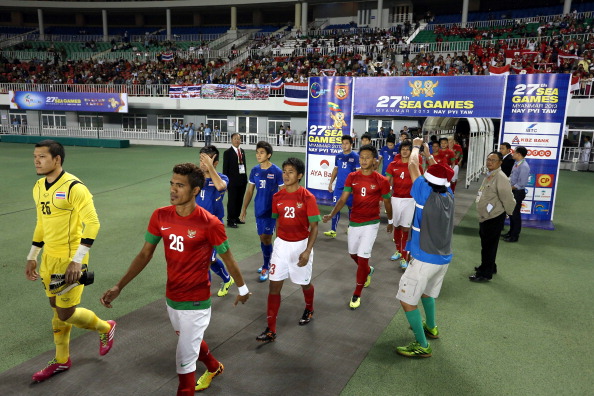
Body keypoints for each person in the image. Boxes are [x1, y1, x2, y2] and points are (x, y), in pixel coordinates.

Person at [100, 163, 250, 396]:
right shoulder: (160, 215)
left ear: (195, 191)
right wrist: (120, 285)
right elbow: (144, 254)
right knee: (189, 342)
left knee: (184, 366)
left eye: (180, 185)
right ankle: (213, 367)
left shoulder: (210, 223)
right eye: (172, 183)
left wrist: (243, 288)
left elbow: (228, 259)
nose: (173, 189)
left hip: (197, 303)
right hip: (172, 298)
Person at [26, 140, 116, 382]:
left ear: (57, 160)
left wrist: (77, 261)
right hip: (48, 259)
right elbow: (41, 224)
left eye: (42, 156)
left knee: (65, 313)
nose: (36, 160)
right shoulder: (38, 187)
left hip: (70, 260)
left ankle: (105, 328)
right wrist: (32, 256)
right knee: (55, 307)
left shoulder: (75, 187)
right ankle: (62, 360)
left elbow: (93, 223)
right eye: (35, 156)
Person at [395, 138, 454, 358]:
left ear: (427, 179)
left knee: (407, 301)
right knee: (428, 294)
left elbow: (412, 164)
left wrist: (417, 146)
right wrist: (429, 155)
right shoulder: (449, 195)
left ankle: (422, 345)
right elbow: (440, 173)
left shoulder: (423, 191)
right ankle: (431, 326)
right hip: (444, 259)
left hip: (424, 259)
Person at [256, 158, 322, 342]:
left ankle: (309, 308)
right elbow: (277, 220)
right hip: (281, 246)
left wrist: (308, 250)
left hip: (301, 245)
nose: (286, 175)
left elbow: (314, 227)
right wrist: (280, 242)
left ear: (299, 175)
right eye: (284, 171)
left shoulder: (307, 197)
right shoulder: (277, 197)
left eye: (291, 172)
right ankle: (271, 329)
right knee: (274, 285)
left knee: (304, 283)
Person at [323, 144, 393, 310]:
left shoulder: (381, 180)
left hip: (371, 223)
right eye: (361, 157)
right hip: (355, 222)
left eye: (367, 157)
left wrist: (390, 221)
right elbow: (342, 199)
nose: (363, 160)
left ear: (375, 160)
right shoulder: (352, 177)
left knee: (362, 258)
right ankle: (368, 270)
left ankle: (357, 293)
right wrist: (331, 215)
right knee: (353, 254)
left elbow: (388, 202)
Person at [240, 141, 284, 282]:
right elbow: (250, 191)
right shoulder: (254, 170)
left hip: (271, 211)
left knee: (266, 237)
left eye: (262, 152)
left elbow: (283, 193)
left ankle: (267, 265)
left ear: (269, 155)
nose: (258, 155)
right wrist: (244, 209)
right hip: (259, 209)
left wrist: (282, 212)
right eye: (257, 152)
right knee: (262, 237)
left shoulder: (276, 171)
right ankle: (268, 261)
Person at [469, 152, 516, 282]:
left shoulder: (500, 177)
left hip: (494, 217)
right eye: (488, 159)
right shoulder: (490, 175)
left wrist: (508, 213)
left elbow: (508, 198)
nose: (490, 162)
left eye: (493, 160)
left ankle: (485, 274)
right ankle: (489, 266)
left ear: (500, 162)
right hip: (486, 216)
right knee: (488, 244)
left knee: (488, 246)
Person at [196, 145, 235, 297]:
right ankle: (227, 278)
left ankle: (203, 294)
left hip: (213, 226)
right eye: (201, 159)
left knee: (207, 260)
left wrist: (210, 168)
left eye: (206, 160)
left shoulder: (222, 178)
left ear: (215, 162)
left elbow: (220, 186)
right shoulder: (195, 179)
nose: (202, 163)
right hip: (196, 225)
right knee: (205, 260)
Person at [385, 140, 423, 270]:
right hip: (396, 199)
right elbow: (387, 181)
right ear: (400, 151)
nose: (405, 151)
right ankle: (398, 250)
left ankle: (404, 257)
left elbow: (420, 182)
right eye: (403, 149)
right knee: (397, 227)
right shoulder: (393, 164)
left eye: (407, 149)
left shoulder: (415, 165)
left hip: (410, 200)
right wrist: (385, 196)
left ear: (411, 151)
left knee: (406, 229)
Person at [324, 135, 359, 238]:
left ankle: (350, 227)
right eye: (343, 144)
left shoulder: (355, 156)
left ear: (351, 144)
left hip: (350, 189)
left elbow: (358, 173)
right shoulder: (338, 156)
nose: (344, 146)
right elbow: (336, 170)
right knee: (336, 207)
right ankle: (333, 230)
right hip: (338, 187)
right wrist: (331, 183)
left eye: (347, 143)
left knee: (351, 208)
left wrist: (354, 187)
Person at [504, 146, 530, 243]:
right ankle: (511, 232)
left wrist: (509, 188)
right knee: (511, 213)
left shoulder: (524, 166)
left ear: (519, 154)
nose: (513, 154)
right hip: (513, 191)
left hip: (517, 193)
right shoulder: (517, 163)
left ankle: (514, 236)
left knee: (515, 215)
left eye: (514, 153)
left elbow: (521, 183)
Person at [223, 133, 248, 228]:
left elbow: (244, 166)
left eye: (239, 139)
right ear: (231, 140)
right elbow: (225, 168)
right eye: (235, 139)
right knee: (232, 201)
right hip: (232, 182)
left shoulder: (242, 151)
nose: (237, 140)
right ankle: (230, 220)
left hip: (242, 181)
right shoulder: (227, 153)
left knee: (239, 200)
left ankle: (236, 217)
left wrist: (245, 179)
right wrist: (225, 182)